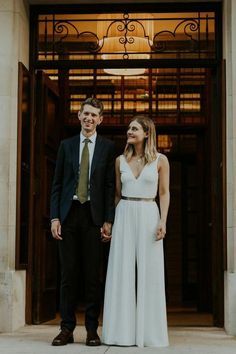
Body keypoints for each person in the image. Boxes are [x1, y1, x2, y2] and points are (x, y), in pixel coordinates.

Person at [50, 97, 115, 346]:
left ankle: (91, 329)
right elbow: (56, 185)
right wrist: (55, 216)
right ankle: (66, 328)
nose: (89, 119)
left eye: (93, 115)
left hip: (93, 216)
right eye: (85, 114)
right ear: (78, 116)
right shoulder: (66, 146)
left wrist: (108, 219)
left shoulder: (108, 148)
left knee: (91, 275)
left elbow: (109, 187)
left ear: (100, 119)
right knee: (68, 274)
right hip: (68, 215)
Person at [102, 115, 170, 347]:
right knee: (121, 271)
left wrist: (163, 220)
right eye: (129, 128)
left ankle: (150, 334)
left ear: (147, 133)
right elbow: (117, 195)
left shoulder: (161, 160)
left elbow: (164, 193)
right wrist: (110, 221)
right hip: (125, 214)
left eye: (134, 128)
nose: (129, 131)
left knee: (150, 273)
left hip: (149, 213)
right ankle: (120, 333)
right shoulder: (120, 160)